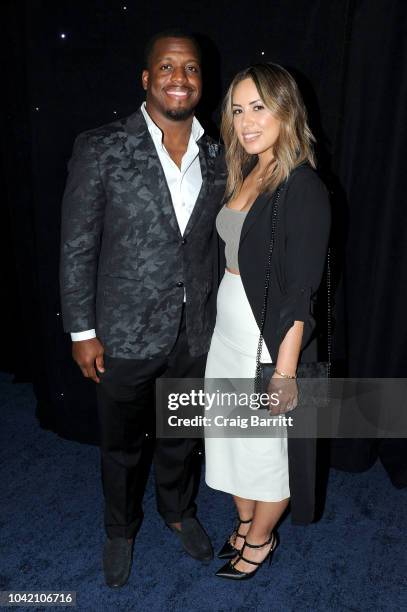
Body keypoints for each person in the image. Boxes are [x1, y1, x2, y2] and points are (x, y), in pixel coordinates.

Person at [60, 29, 225, 588]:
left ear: (202, 81)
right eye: (167, 67)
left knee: (181, 434)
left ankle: (178, 511)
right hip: (124, 334)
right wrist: (82, 331)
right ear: (147, 78)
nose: (180, 78)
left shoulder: (220, 151)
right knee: (122, 445)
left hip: (193, 331)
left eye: (192, 68)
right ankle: (120, 529)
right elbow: (78, 246)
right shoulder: (102, 146)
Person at [204, 63, 331, 580]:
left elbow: (300, 294)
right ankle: (243, 522)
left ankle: (259, 540)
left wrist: (285, 372)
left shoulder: (301, 186)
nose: (246, 121)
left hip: (267, 339)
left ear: (286, 109)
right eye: (237, 109)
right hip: (228, 332)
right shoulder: (250, 167)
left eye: (259, 107)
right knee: (231, 437)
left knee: (266, 453)